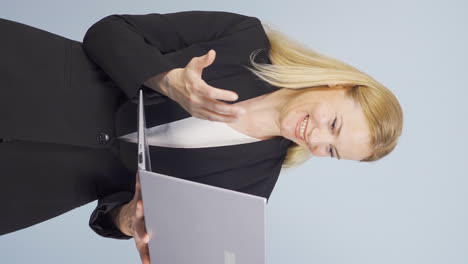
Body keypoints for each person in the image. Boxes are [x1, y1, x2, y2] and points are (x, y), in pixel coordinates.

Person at [0, 10, 403, 264]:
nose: (315, 139)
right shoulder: (245, 39)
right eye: (333, 124)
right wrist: (166, 80)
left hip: (28, 188)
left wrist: (127, 221)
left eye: (330, 150)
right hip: (23, 76)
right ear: (337, 84)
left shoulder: (250, 191)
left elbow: (118, 212)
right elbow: (108, 31)